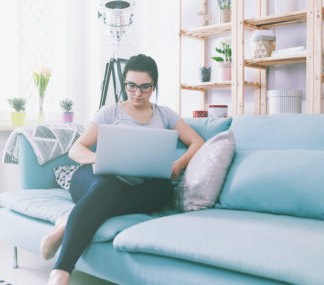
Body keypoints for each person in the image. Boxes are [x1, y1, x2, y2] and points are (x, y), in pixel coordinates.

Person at [42, 54, 204, 285]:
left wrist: (178, 164)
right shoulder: (110, 112)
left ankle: (68, 221)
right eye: (131, 86)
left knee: (164, 190)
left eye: (145, 87)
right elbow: (75, 149)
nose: (137, 93)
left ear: (154, 86)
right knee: (109, 187)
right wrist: (98, 158)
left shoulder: (164, 114)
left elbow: (197, 142)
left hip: (137, 187)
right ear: (124, 84)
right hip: (94, 179)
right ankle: (61, 272)